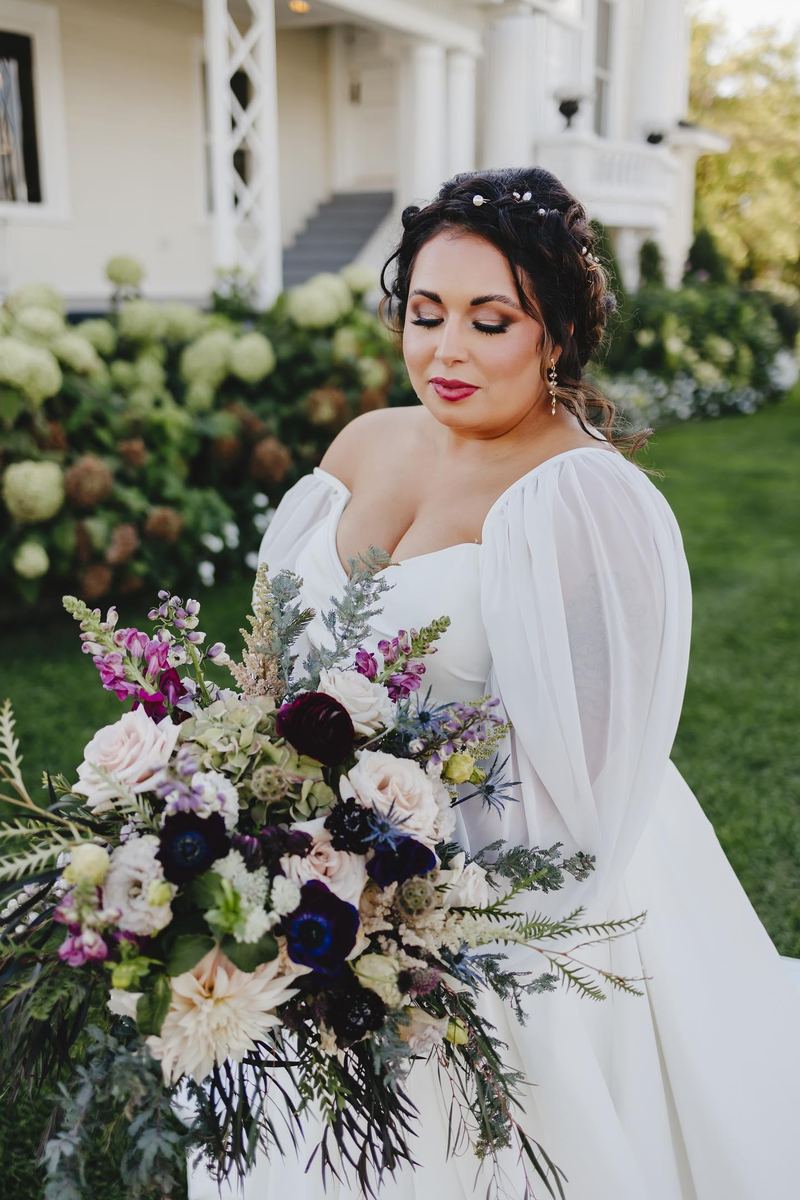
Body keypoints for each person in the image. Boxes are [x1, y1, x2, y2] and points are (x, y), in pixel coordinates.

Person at [192, 168, 800, 1199]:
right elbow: (270, 651)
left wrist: (405, 912)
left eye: (490, 320)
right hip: (307, 865)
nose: (446, 349)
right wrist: (243, 806)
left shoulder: (581, 497)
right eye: (425, 314)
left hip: (493, 898)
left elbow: (593, 786)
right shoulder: (363, 443)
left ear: (552, 334)